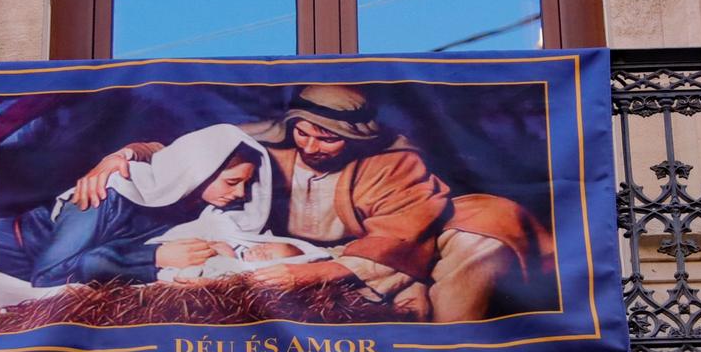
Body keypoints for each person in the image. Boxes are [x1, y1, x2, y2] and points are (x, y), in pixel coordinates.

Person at [69, 85, 549, 321]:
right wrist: (122, 155)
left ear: (355, 138)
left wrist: (308, 271)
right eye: (304, 131)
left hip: (380, 249)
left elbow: (398, 238)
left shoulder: (394, 162)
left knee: (458, 260)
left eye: (328, 139)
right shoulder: (265, 143)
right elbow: (184, 152)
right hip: (293, 249)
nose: (312, 146)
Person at [0, 123, 268, 288]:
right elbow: (49, 275)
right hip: (0, 248)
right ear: (200, 170)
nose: (241, 193)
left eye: (246, 183)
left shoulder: (194, 200)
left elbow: (159, 149)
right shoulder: (110, 190)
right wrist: (154, 257)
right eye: (232, 181)